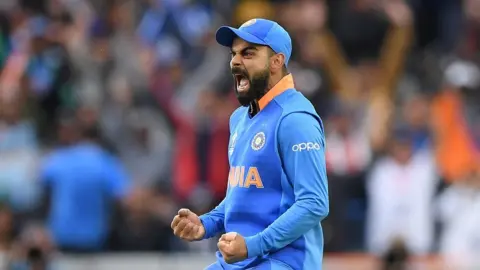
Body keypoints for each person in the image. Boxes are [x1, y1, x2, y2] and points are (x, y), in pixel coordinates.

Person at [171, 18, 329, 270]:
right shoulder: (239, 119)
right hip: (239, 262)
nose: (235, 61)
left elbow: (314, 203)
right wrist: (206, 223)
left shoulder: (295, 119)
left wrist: (253, 245)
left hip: (281, 262)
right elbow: (243, 195)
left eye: (248, 53)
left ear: (276, 61)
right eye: (234, 54)